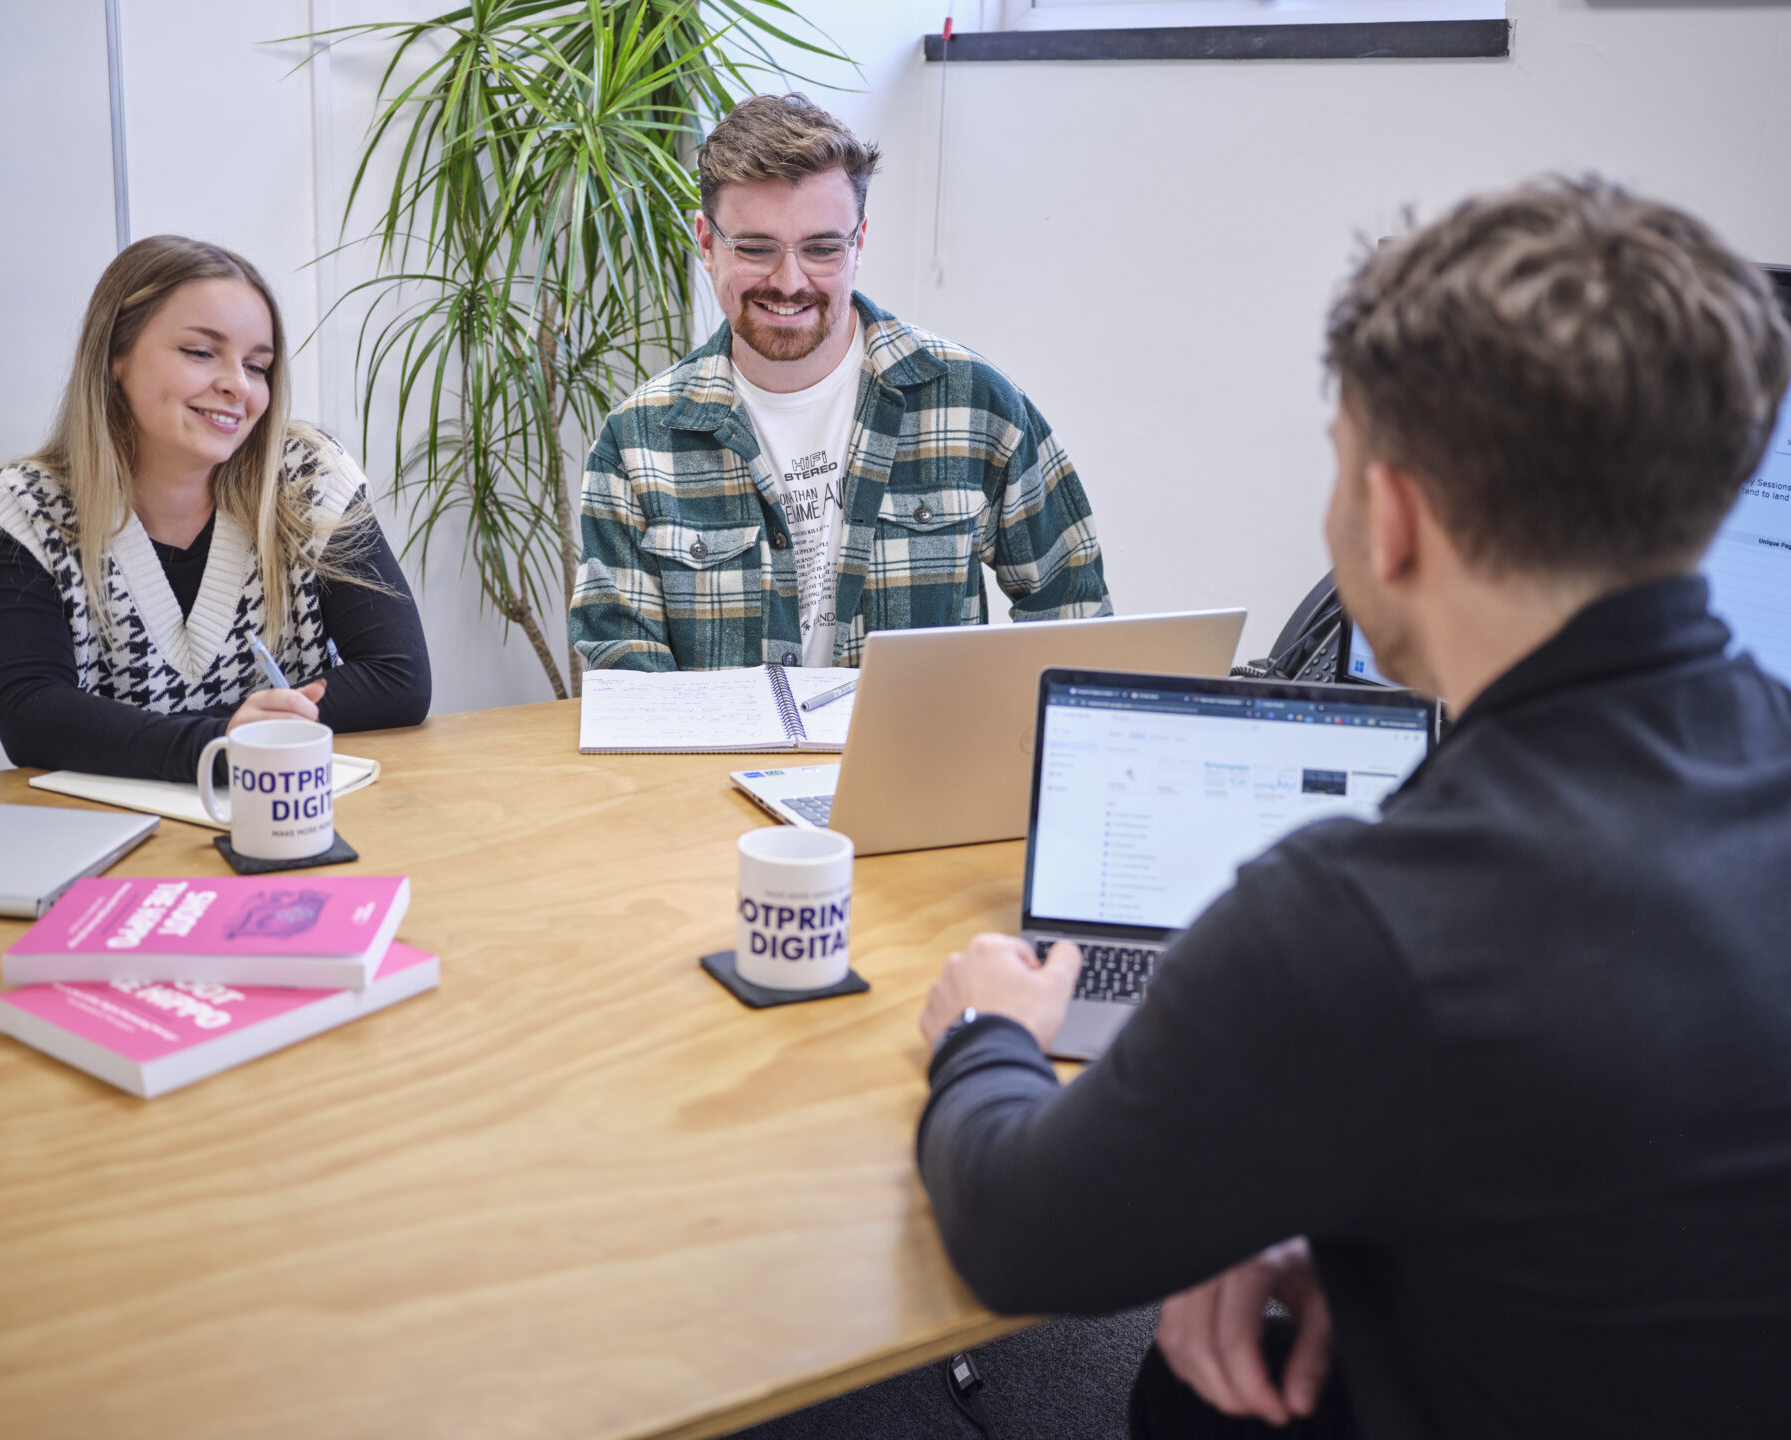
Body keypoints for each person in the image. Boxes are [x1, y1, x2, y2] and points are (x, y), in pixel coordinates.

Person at [915, 176, 1791, 1439]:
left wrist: (987, 1035)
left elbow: (1013, 1234)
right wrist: (1332, 1208)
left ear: (1389, 517)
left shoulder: (1362, 921)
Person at [568, 93, 1110, 673]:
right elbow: (625, 671)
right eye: (755, 248)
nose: (789, 280)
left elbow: (1072, 615)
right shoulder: (636, 442)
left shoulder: (977, 404)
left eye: (823, 248)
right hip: (712, 766)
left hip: (918, 763)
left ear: (859, 242)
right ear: (706, 242)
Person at [0, 235, 431, 781]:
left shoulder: (307, 473)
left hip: (290, 813)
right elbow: (33, 718)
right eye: (200, 352)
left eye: (258, 366)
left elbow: (399, 679)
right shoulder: (24, 507)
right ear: (116, 356)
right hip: (110, 837)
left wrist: (184, 739)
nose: (238, 385)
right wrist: (227, 741)